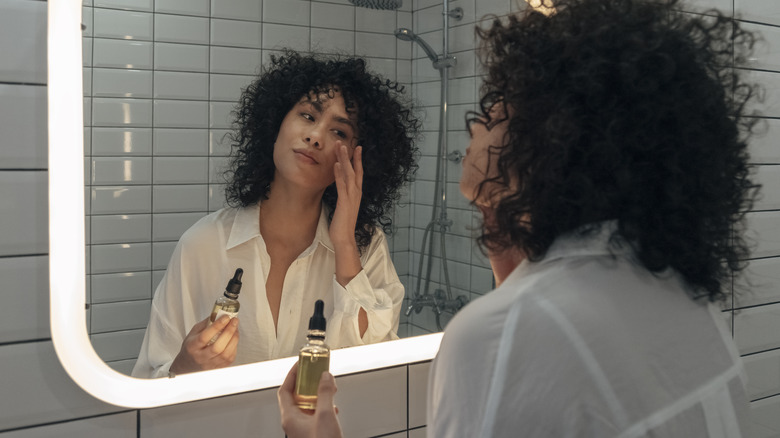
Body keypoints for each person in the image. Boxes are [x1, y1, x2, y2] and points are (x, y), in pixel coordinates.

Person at [277, 0, 762, 436]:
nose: (475, 124)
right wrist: (499, 215)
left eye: (497, 110)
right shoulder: (683, 298)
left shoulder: (504, 335)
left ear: (552, 141)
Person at [132, 51, 420, 378]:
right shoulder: (203, 243)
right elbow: (148, 377)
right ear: (276, 122)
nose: (315, 136)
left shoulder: (366, 247)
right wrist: (185, 365)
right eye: (308, 116)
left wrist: (343, 244)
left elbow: (380, 366)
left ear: (359, 159)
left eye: (339, 132)